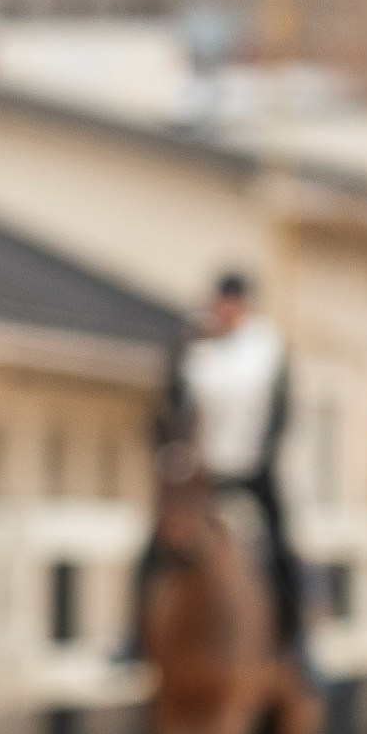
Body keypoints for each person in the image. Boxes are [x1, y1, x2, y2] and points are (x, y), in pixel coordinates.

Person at [125, 270, 305, 665]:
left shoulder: (268, 349)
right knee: (157, 544)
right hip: (197, 472)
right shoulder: (192, 344)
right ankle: (135, 636)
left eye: (234, 305)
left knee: (280, 546)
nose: (227, 312)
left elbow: (280, 412)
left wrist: (260, 457)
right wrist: (177, 452)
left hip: (250, 469)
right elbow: (172, 402)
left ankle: (297, 641)